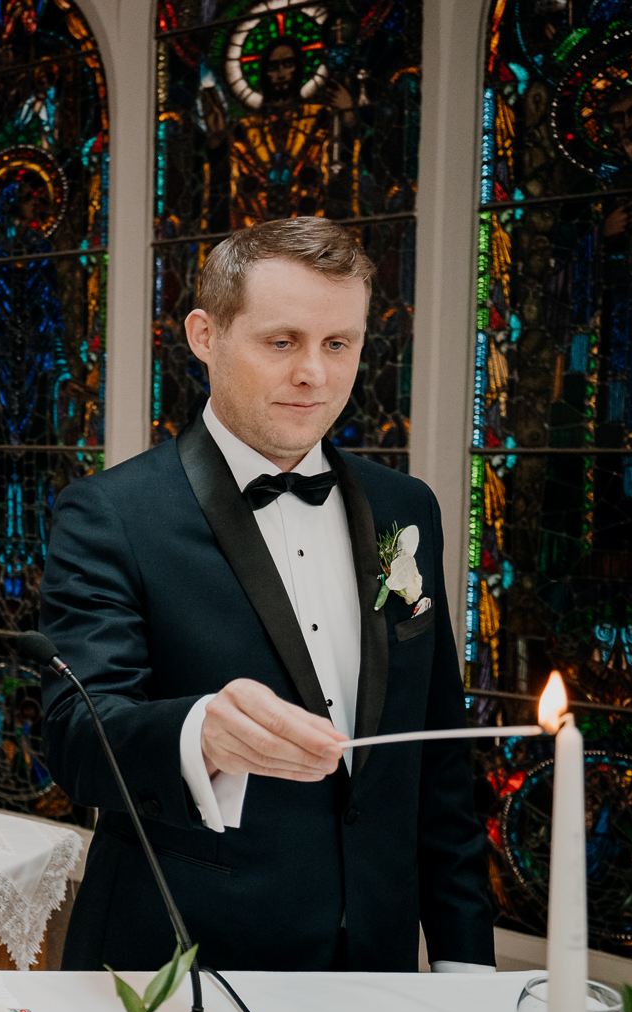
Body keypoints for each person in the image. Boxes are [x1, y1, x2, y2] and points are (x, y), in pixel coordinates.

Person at [41, 217, 494, 973]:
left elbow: (438, 759)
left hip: (379, 967)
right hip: (183, 964)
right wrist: (201, 736)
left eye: (337, 344)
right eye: (282, 342)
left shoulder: (405, 510)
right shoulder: (111, 514)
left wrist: (465, 966)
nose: (314, 372)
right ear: (204, 335)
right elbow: (75, 738)